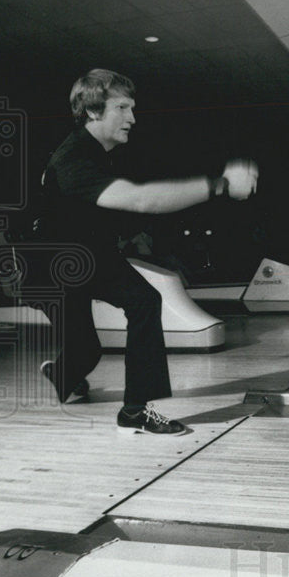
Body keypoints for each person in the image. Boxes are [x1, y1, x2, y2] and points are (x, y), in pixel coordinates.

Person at [38, 69, 258, 435]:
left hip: (86, 255)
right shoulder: (72, 160)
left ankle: (92, 392)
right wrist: (219, 184)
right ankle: (102, 395)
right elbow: (142, 199)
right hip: (54, 265)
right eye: (122, 107)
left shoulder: (96, 153)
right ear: (93, 111)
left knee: (130, 313)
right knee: (101, 337)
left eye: (132, 108)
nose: (132, 118)